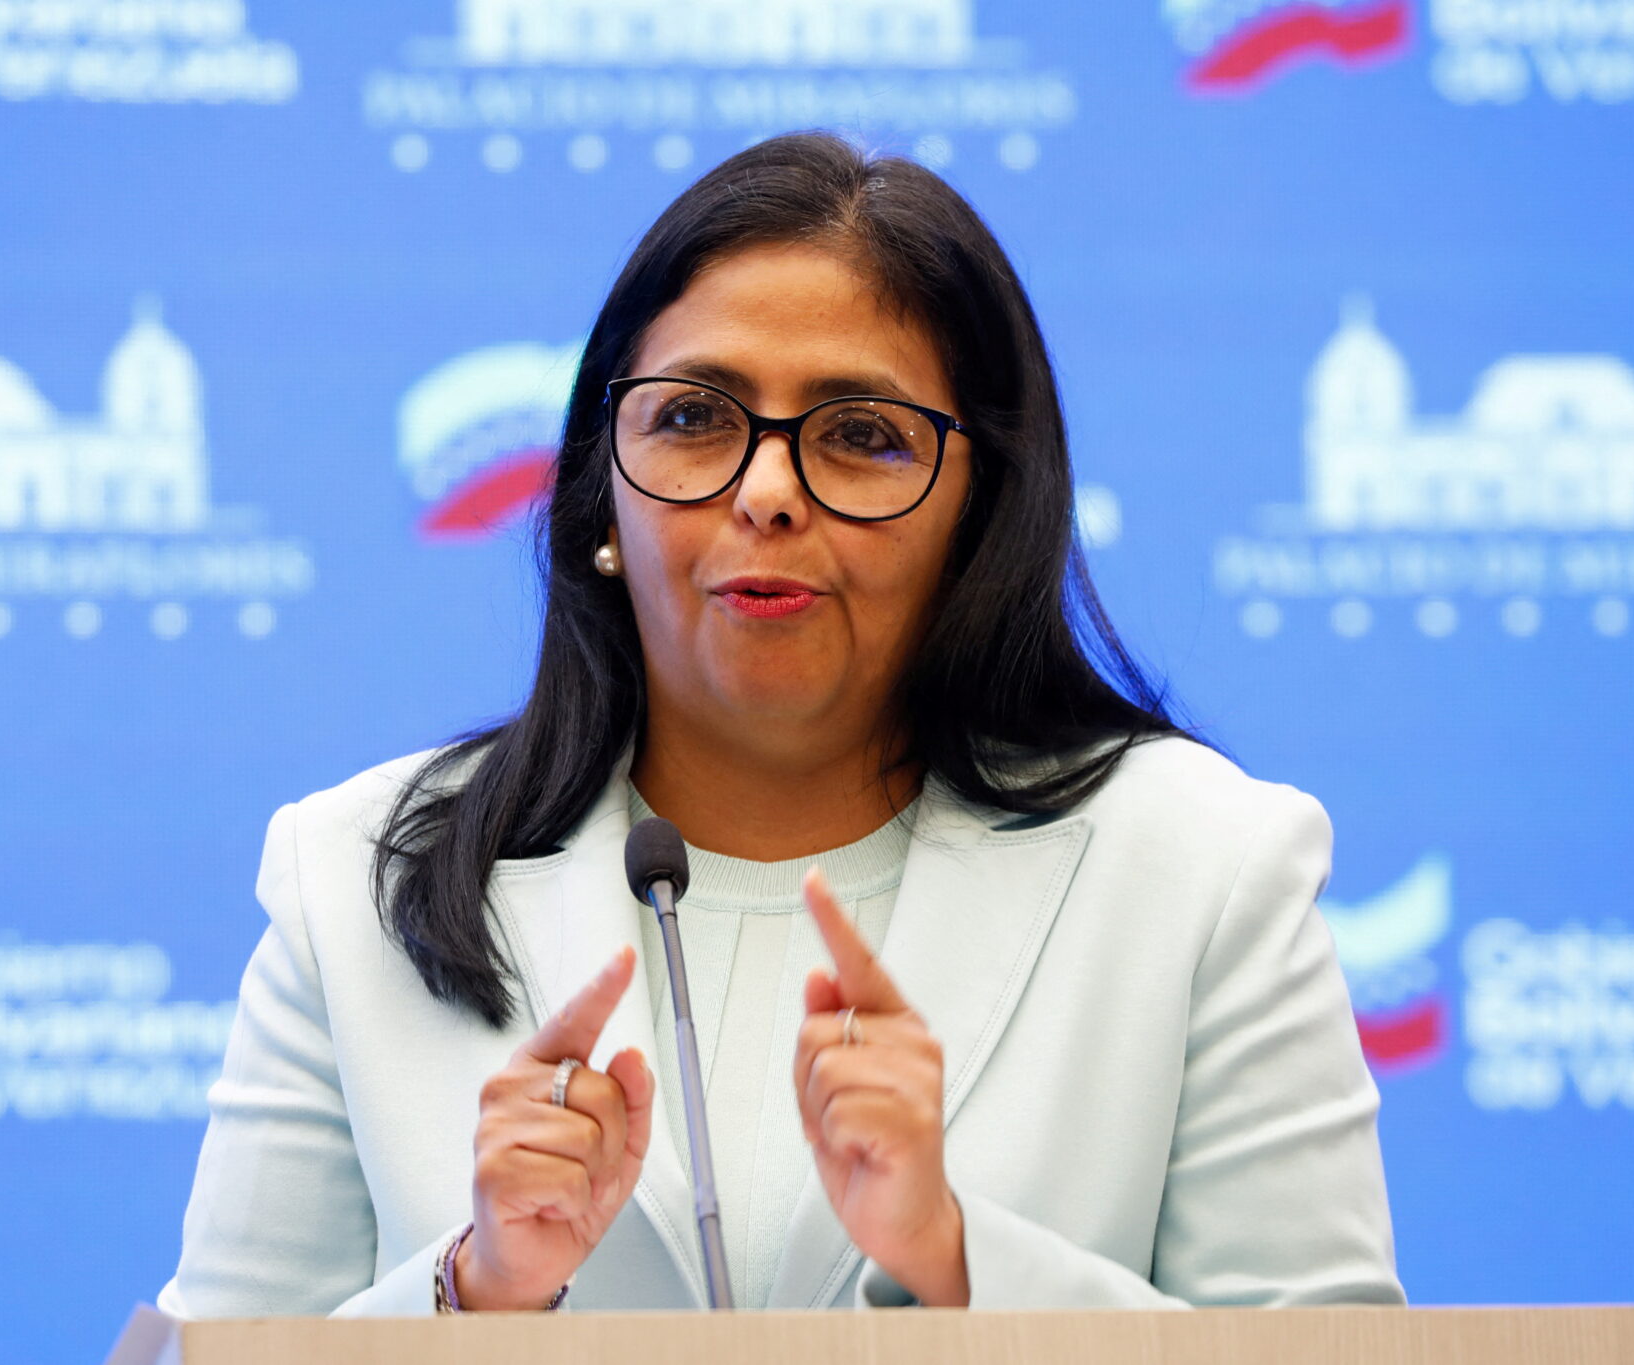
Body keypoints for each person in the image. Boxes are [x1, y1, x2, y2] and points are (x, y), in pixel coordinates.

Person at [157, 130, 1404, 1317]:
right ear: (600, 489)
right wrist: (473, 1293)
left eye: (859, 436)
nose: (764, 493)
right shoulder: (359, 876)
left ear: (978, 510)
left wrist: (954, 1259)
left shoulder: (1201, 870)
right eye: (692, 418)